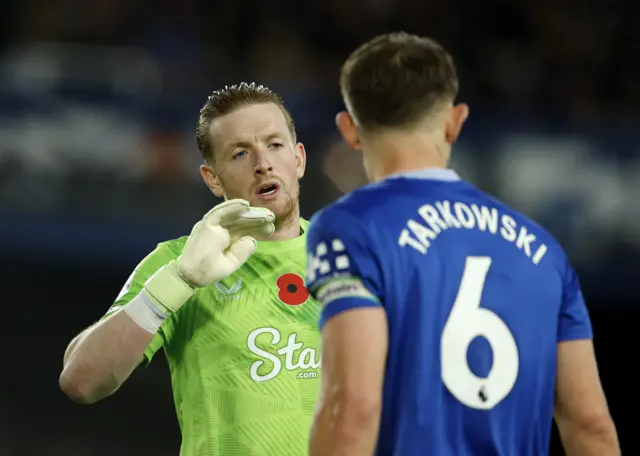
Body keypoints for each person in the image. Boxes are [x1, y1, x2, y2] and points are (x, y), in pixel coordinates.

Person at [305, 32, 620, 456]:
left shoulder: (351, 227)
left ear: (349, 129)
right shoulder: (544, 250)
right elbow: (591, 425)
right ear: (455, 121)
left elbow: (355, 409)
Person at [60, 83, 322, 456]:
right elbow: (82, 381)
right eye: (240, 153)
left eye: (275, 145)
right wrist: (177, 282)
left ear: (298, 159)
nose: (263, 162)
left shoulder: (352, 259)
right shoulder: (177, 263)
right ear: (212, 178)